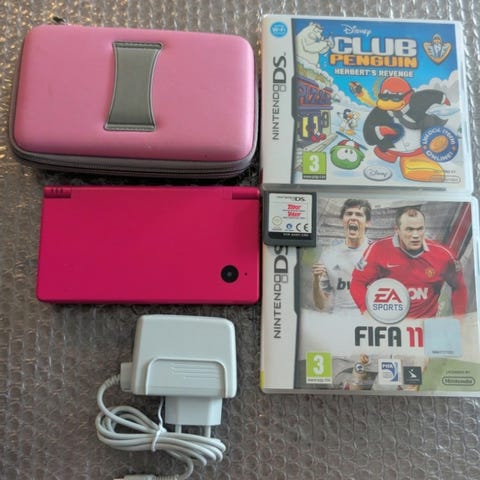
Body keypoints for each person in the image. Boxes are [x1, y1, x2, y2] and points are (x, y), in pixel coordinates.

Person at [350, 206, 467, 319]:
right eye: (409, 229)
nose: (415, 235)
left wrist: (459, 320)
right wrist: (366, 312)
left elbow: (459, 287)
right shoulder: (378, 249)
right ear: (397, 230)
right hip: (389, 325)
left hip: (425, 325)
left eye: (420, 229)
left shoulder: (444, 255)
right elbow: (357, 283)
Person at [311, 199, 371, 311]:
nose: (353, 218)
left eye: (358, 214)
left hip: (368, 319)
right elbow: (321, 305)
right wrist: (316, 282)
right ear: (342, 220)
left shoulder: (378, 252)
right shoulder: (328, 255)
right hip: (339, 319)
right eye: (349, 214)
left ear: (367, 222)